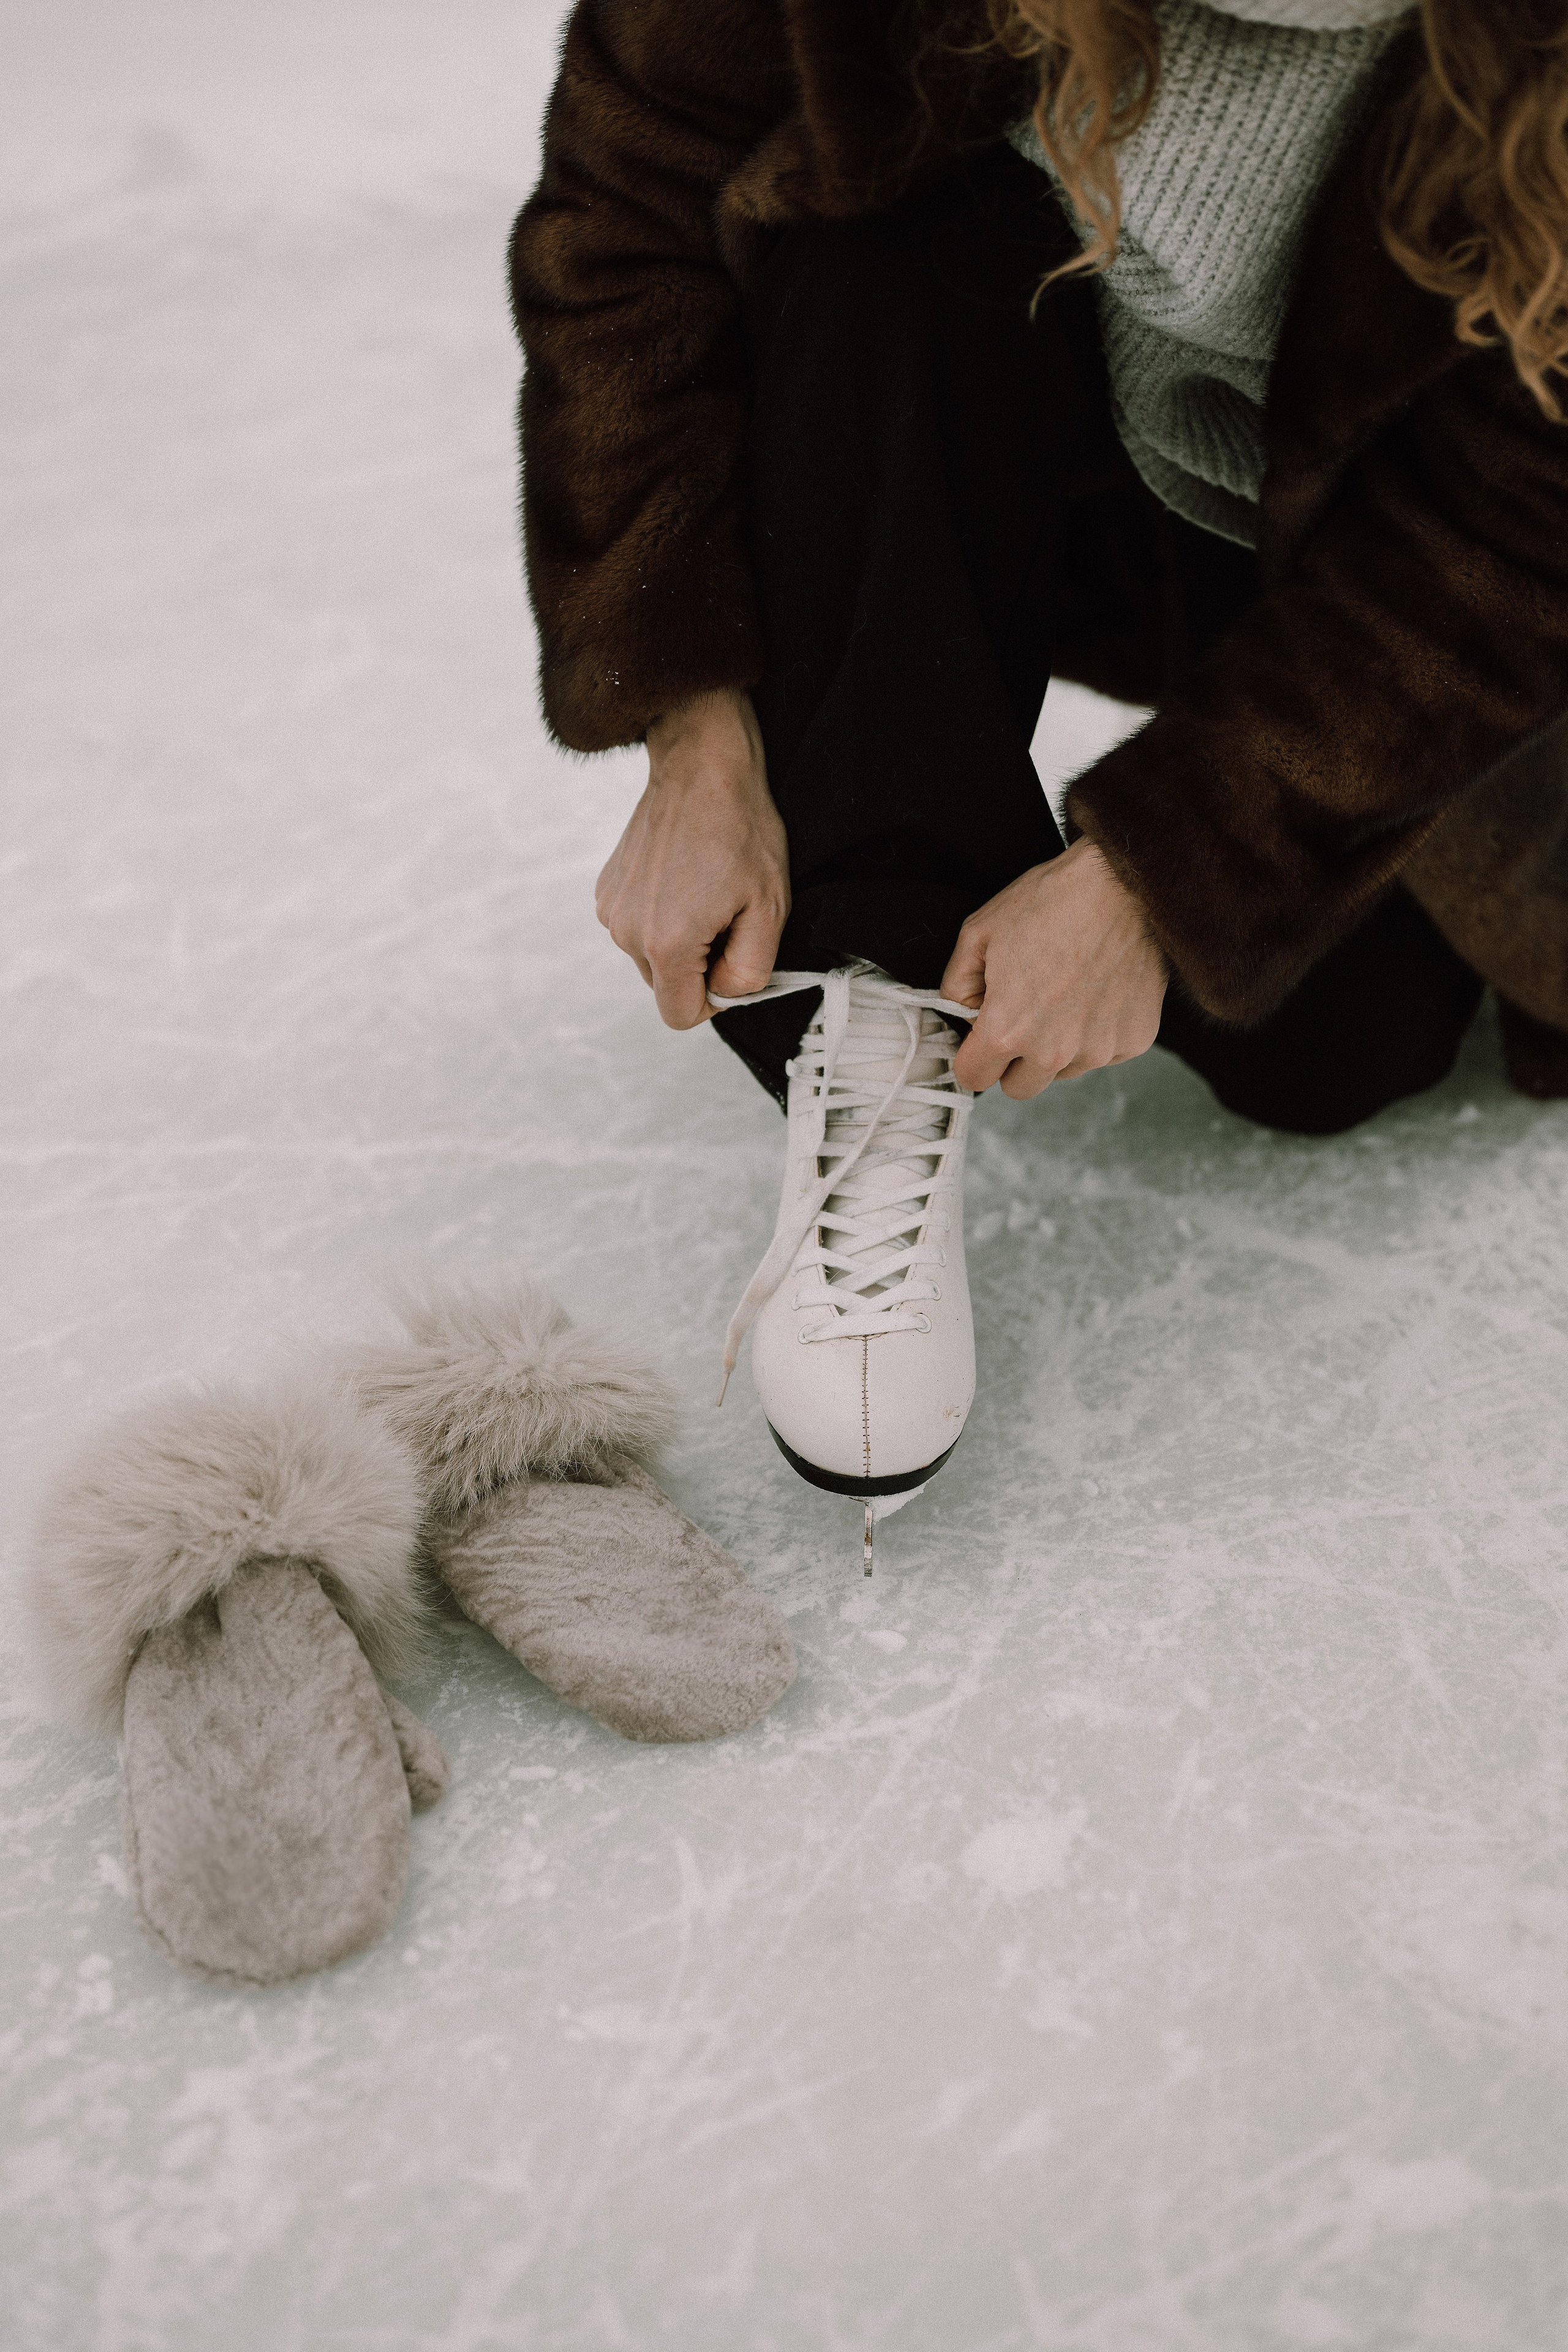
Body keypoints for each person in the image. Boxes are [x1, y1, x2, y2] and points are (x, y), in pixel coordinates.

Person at [509, 0, 1568, 1519]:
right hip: (1017, 395)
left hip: (1349, 548)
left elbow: (1515, 530)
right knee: (863, 236)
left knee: (1328, 1046)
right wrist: (694, 718)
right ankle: (873, 982)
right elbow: (623, 209)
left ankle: (1008, 864)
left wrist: (1161, 869)